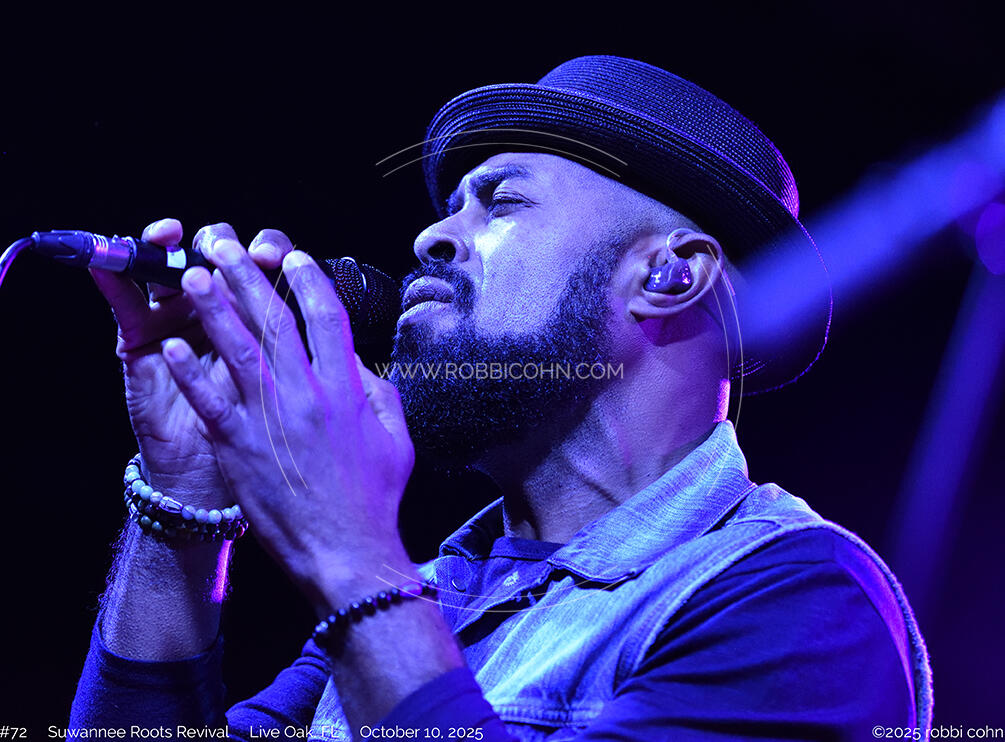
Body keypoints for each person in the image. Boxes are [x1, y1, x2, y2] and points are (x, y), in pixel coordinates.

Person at [71, 56, 932, 740]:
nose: (430, 237)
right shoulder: (426, 597)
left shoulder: (797, 600)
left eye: (502, 203)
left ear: (670, 274)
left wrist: (348, 552)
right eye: (451, 207)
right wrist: (180, 506)